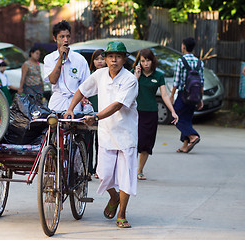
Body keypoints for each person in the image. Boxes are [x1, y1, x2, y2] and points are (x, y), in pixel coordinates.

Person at [64, 41, 138, 228]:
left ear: (124, 59)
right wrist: (70, 109)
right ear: (105, 58)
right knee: (103, 175)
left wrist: (96, 116)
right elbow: (81, 90)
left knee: (126, 177)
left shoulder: (130, 79)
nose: (114, 60)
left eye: (118, 56)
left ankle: (122, 214)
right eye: (110, 56)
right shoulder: (100, 74)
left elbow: (118, 105)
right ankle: (114, 198)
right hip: (106, 133)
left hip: (126, 134)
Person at [133, 49, 178, 180]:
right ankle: (130, 170)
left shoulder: (158, 76)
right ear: (139, 62)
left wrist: (173, 111)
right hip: (136, 112)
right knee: (134, 143)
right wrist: (136, 77)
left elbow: (164, 95)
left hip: (151, 113)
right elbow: (129, 90)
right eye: (142, 61)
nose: (145, 63)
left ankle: (139, 170)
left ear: (152, 61)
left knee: (146, 144)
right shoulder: (135, 73)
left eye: (148, 60)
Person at [43, 20, 90, 111]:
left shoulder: (80, 60)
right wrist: (61, 57)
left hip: (75, 103)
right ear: (55, 38)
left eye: (68, 36)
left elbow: (85, 85)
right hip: (57, 103)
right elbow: (52, 80)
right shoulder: (49, 58)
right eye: (62, 37)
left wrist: (83, 99)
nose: (66, 40)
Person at [170, 37, 204, 153]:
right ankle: (185, 146)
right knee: (187, 119)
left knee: (175, 116)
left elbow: (176, 80)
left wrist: (171, 95)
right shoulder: (200, 62)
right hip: (195, 95)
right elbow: (201, 82)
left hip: (183, 94)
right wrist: (200, 99)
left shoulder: (181, 61)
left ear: (183, 46)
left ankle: (193, 136)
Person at [88, 49, 107, 179]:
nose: (100, 61)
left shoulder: (108, 75)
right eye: (97, 59)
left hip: (104, 113)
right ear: (93, 61)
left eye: (102, 58)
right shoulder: (89, 75)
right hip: (89, 112)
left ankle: (98, 169)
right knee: (88, 142)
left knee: (100, 142)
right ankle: (88, 169)